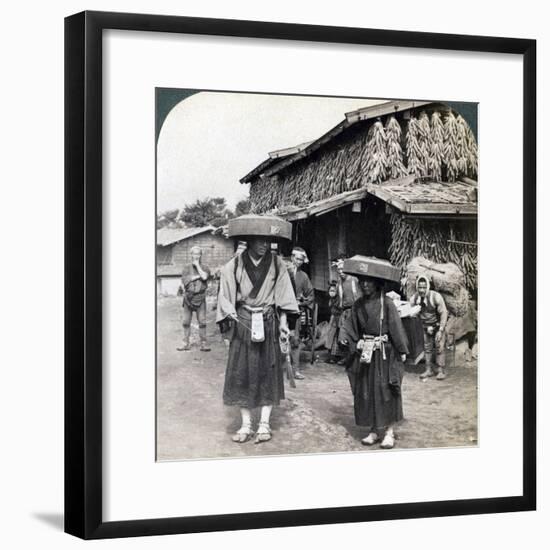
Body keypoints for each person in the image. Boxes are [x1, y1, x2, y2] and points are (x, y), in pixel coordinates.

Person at [216, 215, 299, 444]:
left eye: (267, 241)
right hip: (243, 322)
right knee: (242, 372)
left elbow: (284, 296)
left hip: (269, 321)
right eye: (260, 241)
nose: (265, 245)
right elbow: (226, 295)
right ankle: (246, 424)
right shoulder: (233, 265)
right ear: (250, 241)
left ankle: (264, 424)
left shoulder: (277, 263)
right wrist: (229, 311)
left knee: (267, 371)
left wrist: (284, 323)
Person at [339, 256, 409, 449]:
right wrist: (351, 340)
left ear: (377, 283)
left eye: (369, 281)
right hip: (366, 355)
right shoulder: (358, 305)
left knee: (386, 391)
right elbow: (349, 327)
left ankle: (389, 432)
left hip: (384, 354)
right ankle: (373, 430)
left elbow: (396, 328)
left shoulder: (387, 303)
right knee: (367, 390)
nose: (365, 284)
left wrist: (402, 351)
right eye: (362, 281)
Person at [409, 275, 449, 380]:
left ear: (427, 287)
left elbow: (444, 313)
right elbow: (410, 311)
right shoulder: (415, 298)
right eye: (420, 287)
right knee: (427, 348)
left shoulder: (435, 297)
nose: (422, 290)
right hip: (426, 326)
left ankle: (440, 370)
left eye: (424, 287)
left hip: (437, 325)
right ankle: (428, 369)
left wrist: (440, 330)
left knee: (439, 346)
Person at [177, 245, 211, 352]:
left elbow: (205, 277)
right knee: (186, 322)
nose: (196, 256)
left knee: (202, 322)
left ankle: (203, 344)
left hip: (200, 298)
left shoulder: (205, 267)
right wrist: (197, 276)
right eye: (194, 254)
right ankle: (185, 343)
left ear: (201, 255)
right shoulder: (186, 268)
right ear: (191, 255)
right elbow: (185, 280)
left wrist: (198, 266)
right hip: (188, 298)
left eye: (198, 254)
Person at [287, 246, 314, 380]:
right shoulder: (283, 272)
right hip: (279, 310)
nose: (299, 262)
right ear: (292, 258)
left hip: (295, 312)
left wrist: (301, 302)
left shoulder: (303, 276)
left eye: (301, 260)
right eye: (297, 259)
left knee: (295, 340)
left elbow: (310, 295)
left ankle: (295, 370)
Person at [333, 258, 361, 365]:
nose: (340, 271)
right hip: (344, 311)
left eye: (342, 269)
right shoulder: (339, 282)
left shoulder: (354, 280)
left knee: (354, 335)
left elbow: (359, 295)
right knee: (342, 336)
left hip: (355, 311)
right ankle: (347, 357)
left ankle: (354, 358)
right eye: (338, 269)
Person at [325, 280, 344, 363]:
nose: (331, 292)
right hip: (333, 319)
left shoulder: (339, 300)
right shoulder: (331, 300)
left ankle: (339, 357)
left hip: (339, 318)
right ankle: (331, 357)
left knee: (338, 337)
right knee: (330, 336)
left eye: (333, 291)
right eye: (330, 291)